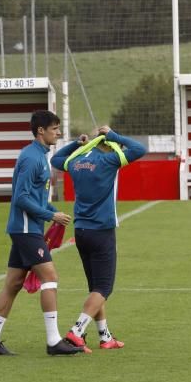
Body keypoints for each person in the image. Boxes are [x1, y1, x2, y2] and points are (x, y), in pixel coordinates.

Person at [0, 110, 82, 356]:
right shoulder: (31, 158)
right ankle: (53, 340)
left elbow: (35, 196)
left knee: (13, 283)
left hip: (26, 227)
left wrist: (52, 211)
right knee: (50, 277)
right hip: (26, 229)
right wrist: (50, 216)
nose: (58, 133)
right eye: (55, 128)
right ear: (41, 131)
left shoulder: (39, 156)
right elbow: (21, 198)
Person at [50, 125, 146, 351]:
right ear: (109, 145)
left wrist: (76, 143)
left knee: (95, 287)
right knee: (103, 287)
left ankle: (105, 337)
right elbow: (139, 148)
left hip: (81, 232)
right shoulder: (109, 161)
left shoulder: (76, 161)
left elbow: (57, 159)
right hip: (102, 231)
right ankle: (76, 333)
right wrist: (113, 135)